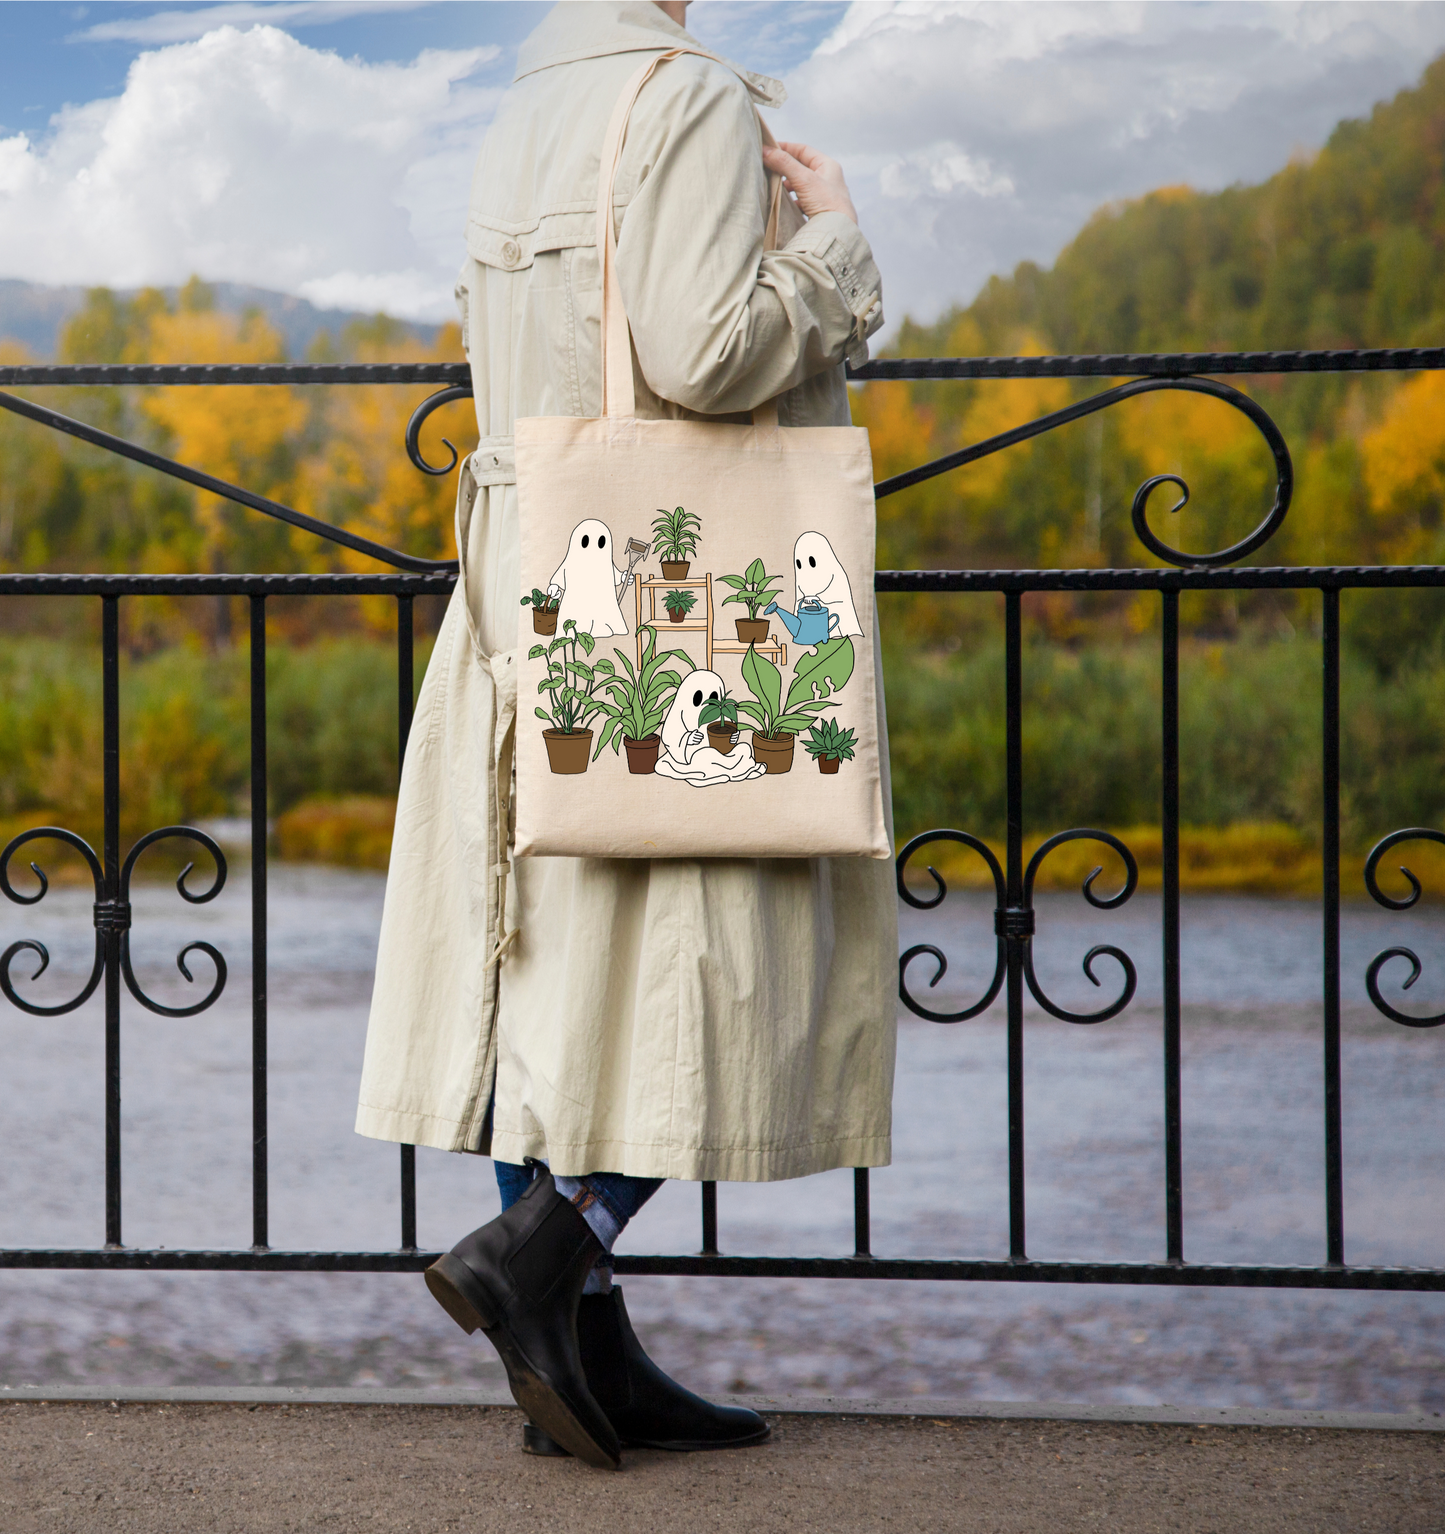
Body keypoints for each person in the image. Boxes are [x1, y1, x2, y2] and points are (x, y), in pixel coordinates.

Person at [355, 0, 896, 1470]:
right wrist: (834, 251)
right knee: (728, 963)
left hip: (540, 578)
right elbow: (706, 352)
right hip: (680, 599)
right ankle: (547, 1246)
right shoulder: (691, 99)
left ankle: (582, 1355)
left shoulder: (525, 106)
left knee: (556, 973)